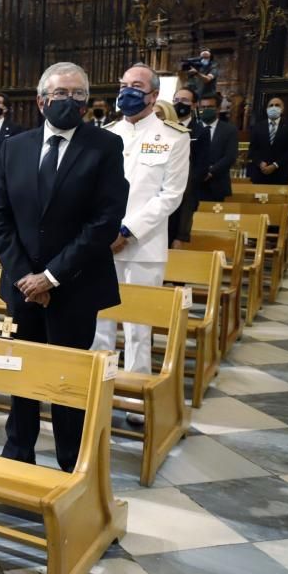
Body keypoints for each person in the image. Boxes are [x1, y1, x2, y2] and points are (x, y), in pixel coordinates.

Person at [0, 62, 128, 472]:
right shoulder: (15, 147)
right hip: (20, 284)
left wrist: (50, 276)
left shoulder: (104, 146)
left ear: (86, 102)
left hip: (76, 284)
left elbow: (104, 220)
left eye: (76, 94)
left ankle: (71, 461)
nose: (68, 101)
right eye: (60, 93)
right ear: (41, 100)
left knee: (66, 377)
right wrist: (25, 278)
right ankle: (18, 453)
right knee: (21, 372)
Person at [92, 64, 188, 420]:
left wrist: (127, 230)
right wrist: (104, 231)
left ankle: (133, 399)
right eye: (123, 84)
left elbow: (170, 196)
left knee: (137, 326)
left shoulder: (172, 136)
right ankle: (99, 388)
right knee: (100, 320)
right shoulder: (106, 134)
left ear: (152, 95)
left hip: (143, 246)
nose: (127, 91)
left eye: (136, 86)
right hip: (102, 243)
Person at [168, 86, 210, 247]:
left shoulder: (200, 131)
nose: (179, 104)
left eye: (184, 101)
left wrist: (183, 182)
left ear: (193, 105)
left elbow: (202, 165)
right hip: (165, 187)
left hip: (187, 191)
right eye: (176, 100)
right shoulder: (165, 129)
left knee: (176, 237)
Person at [247, 97, 288, 185]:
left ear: (282, 109)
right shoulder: (258, 126)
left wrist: (275, 165)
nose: (273, 107)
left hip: (280, 174)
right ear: (267, 109)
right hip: (260, 174)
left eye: (277, 105)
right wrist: (260, 163)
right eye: (271, 105)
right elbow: (252, 149)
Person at [196, 93, 238, 202]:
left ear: (218, 109)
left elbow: (230, 156)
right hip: (195, 184)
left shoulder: (229, 130)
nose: (206, 110)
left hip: (218, 183)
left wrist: (210, 172)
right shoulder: (193, 129)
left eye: (210, 107)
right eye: (203, 107)